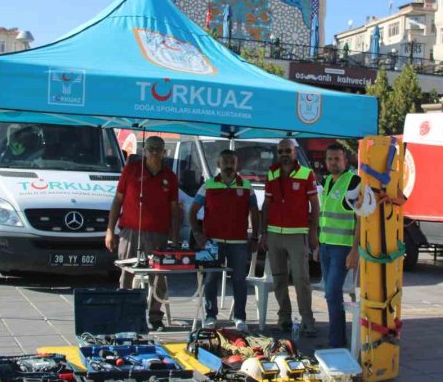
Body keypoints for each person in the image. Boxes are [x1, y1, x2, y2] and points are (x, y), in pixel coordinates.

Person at [105, 136, 180, 330]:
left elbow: (174, 209)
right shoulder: (131, 170)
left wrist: (176, 236)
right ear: (144, 150)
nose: (154, 152)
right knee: (127, 274)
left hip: (158, 234)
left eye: (158, 149)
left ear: (164, 152)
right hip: (130, 231)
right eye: (151, 148)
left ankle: (155, 317)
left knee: (159, 276)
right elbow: (117, 201)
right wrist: (110, 230)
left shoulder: (170, 177)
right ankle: (125, 314)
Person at [189, 150, 260, 331]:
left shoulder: (246, 185)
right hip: (211, 242)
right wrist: (197, 234)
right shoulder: (208, 185)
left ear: (237, 165)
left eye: (232, 162)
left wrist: (255, 236)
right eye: (225, 161)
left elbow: (255, 212)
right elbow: (192, 210)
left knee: (239, 280)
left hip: (238, 242)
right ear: (219, 164)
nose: (229, 165)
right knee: (211, 279)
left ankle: (239, 317)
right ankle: (211, 316)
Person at [259, 138, 320, 336]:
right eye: (281, 151)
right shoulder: (272, 172)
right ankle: (284, 318)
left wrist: (313, 232)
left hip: (297, 234)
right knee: (278, 279)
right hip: (275, 234)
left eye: (288, 151)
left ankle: (307, 320)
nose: (284, 154)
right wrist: (263, 233)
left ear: (295, 153)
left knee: (301, 279)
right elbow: (266, 206)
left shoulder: (306, 173)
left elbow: (315, 205)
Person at [317, 144, 361, 348]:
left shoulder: (353, 181)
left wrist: (354, 250)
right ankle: (336, 338)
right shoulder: (326, 181)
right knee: (330, 292)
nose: (333, 162)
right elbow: (325, 216)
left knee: (332, 292)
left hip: (342, 248)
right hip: (326, 246)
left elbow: (360, 218)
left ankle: (337, 342)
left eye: (337, 159)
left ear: (346, 160)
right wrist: (319, 244)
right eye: (329, 159)